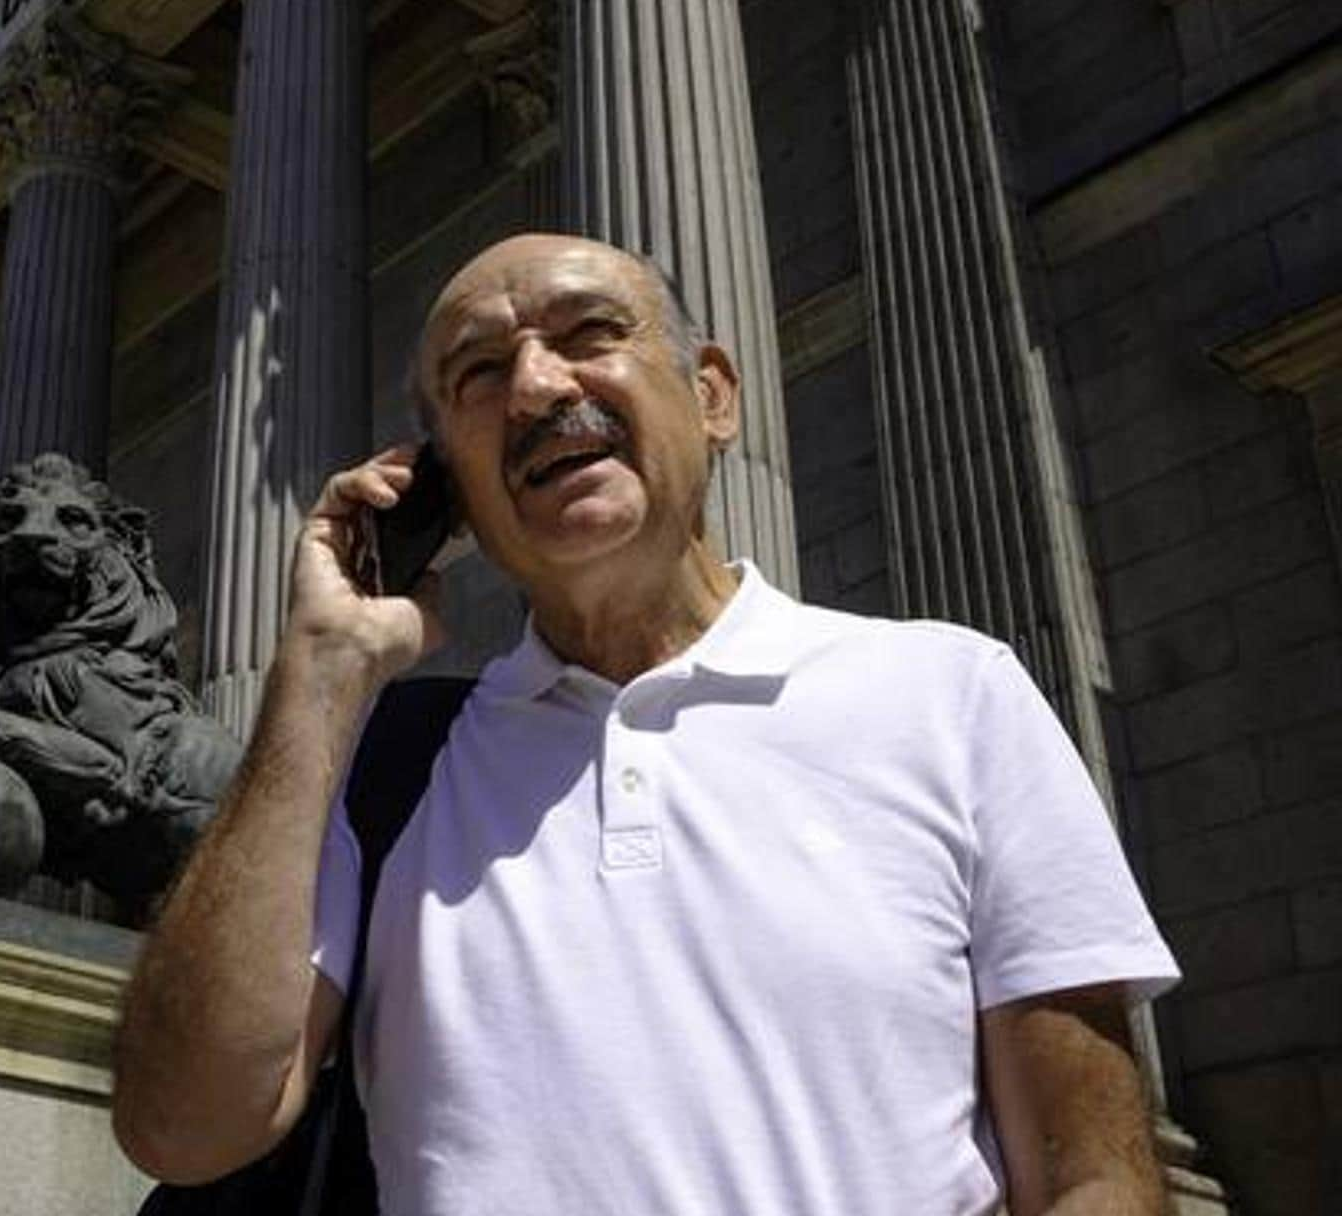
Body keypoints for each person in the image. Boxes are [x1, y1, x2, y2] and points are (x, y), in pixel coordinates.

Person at [112, 233, 1180, 1215]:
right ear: (447, 490)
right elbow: (183, 1125)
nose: (535, 385)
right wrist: (319, 675)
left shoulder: (951, 693)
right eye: (477, 374)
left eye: (588, 335)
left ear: (712, 394)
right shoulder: (385, 768)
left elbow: (1092, 1169)